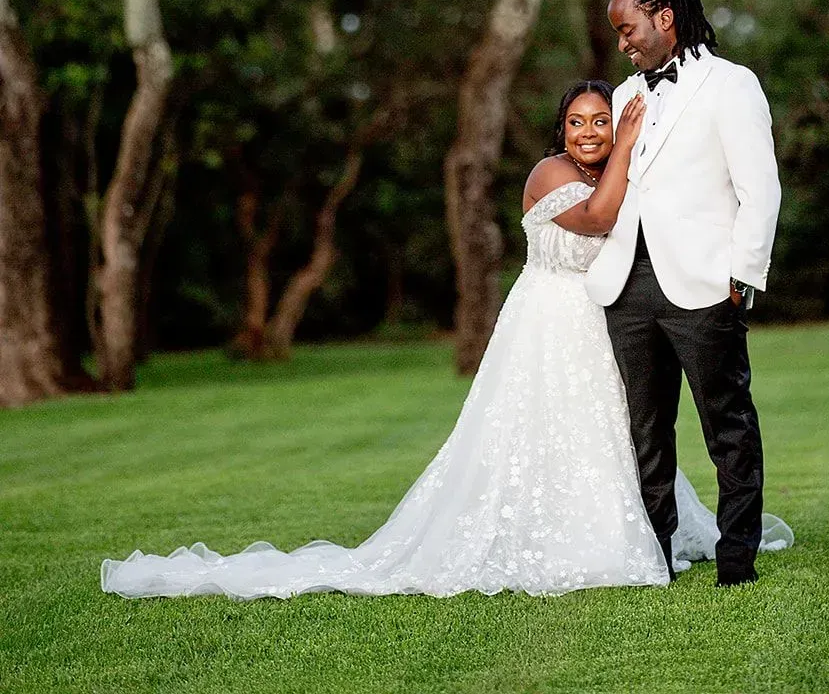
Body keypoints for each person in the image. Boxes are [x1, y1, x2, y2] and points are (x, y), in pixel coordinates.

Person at [101, 80, 791, 600]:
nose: (589, 132)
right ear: (560, 129)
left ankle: (638, 531)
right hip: (548, 321)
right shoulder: (550, 174)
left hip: (602, 321)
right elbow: (600, 218)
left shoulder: (614, 170)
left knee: (615, 431)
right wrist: (630, 145)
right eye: (577, 122)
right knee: (538, 433)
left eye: (601, 120)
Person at [587, 0, 782, 588]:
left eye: (628, 29)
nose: (623, 43)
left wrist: (742, 278)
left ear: (665, 17)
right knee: (645, 432)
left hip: (704, 286)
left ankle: (737, 560)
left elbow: (761, 191)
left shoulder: (732, 85)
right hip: (628, 285)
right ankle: (656, 556)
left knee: (728, 425)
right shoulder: (625, 95)